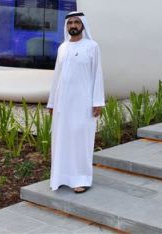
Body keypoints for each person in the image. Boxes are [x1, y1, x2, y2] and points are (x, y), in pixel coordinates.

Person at [47, 11, 105, 193]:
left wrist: (97, 102)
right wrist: (52, 103)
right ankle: (61, 177)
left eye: (76, 22)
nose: (73, 25)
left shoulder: (92, 47)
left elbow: (98, 75)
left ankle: (81, 179)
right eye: (70, 22)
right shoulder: (62, 48)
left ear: (82, 25)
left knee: (81, 140)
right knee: (62, 139)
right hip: (62, 105)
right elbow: (56, 78)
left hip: (83, 104)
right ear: (66, 26)